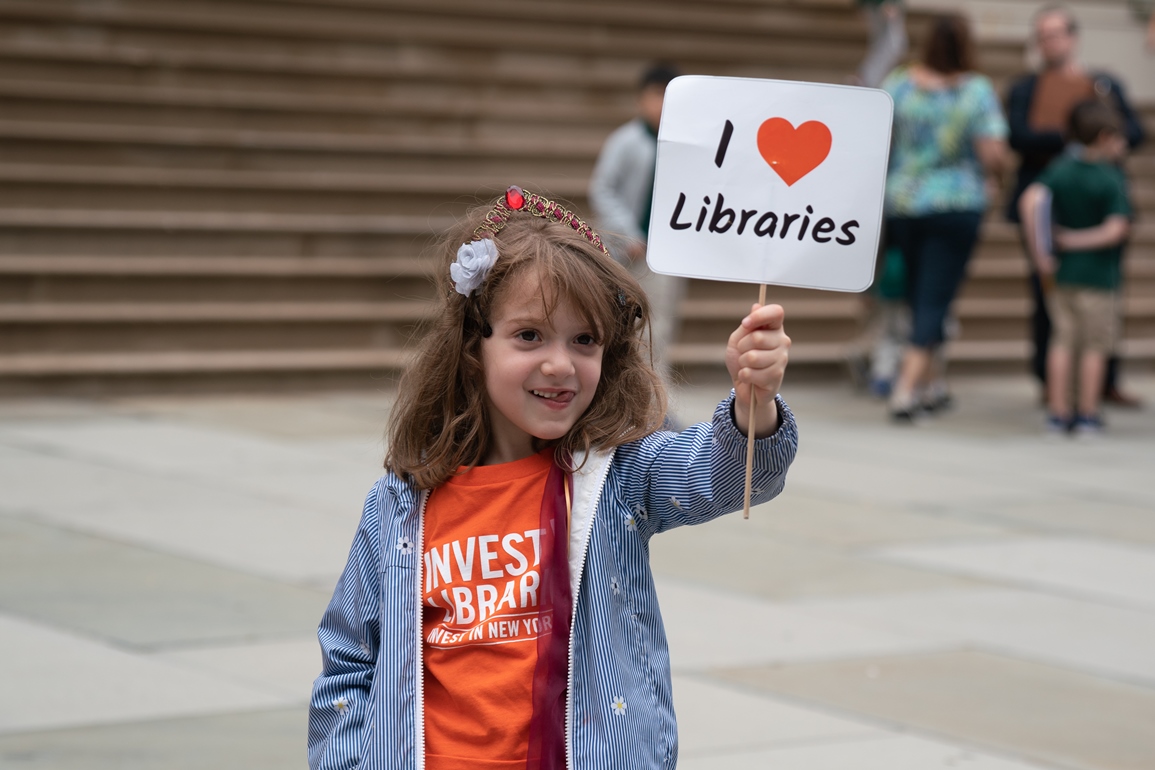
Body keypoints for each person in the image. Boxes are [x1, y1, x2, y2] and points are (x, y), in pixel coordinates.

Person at [307, 185, 798, 769]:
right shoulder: (399, 505)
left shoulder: (616, 478)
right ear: (474, 346)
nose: (560, 364)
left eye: (584, 340)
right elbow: (349, 660)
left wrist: (753, 401)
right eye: (529, 335)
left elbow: (723, 472)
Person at [1005, 3, 1145, 406]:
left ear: (1072, 36)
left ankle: (1104, 380)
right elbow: (1019, 135)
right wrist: (1077, 140)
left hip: (1100, 204)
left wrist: (1084, 142)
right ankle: (1051, 384)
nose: (1049, 42)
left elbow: (1133, 132)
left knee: (1105, 297)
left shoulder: (1104, 84)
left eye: (1055, 33)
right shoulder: (1025, 88)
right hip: (1050, 208)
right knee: (1047, 297)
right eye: (1042, 35)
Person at [880, 13, 1009, 421]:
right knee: (936, 297)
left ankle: (931, 384)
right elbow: (993, 152)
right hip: (956, 202)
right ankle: (905, 390)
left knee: (919, 292)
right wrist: (997, 176)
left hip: (903, 201)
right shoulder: (975, 90)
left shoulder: (899, 83)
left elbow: (879, 137)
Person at [1020, 100, 1132, 435]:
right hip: (1098, 276)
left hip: (1062, 274)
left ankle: (1058, 412)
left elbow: (1030, 201)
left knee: (1062, 342)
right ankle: (1087, 412)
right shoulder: (1109, 178)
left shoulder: (1059, 170)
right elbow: (1116, 229)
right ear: (1104, 137)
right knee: (1094, 347)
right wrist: (1074, 240)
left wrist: (1042, 251)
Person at [589, 64, 683, 376]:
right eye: (656, 95)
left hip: (664, 253)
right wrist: (627, 233)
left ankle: (656, 401)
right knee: (617, 321)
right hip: (624, 251)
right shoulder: (625, 141)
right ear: (641, 98)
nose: (661, 103)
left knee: (659, 327)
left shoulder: (683, 144)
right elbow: (602, 188)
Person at [856, 0, 908, 89]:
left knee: (884, 44)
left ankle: (866, 80)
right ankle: (867, 80)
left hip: (878, 5)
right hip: (883, 5)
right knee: (893, 45)